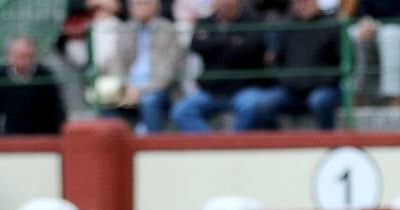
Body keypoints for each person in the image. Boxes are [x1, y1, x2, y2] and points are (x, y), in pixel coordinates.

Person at [171, 0, 275, 131]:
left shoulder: (254, 20)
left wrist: (213, 42)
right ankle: (213, 146)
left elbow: (248, 50)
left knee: (252, 105)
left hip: (244, 89)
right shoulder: (205, 22)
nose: (224, 4)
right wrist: (230, 40)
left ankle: (235, 146)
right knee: (181, 110)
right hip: (212, 91)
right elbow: (196, 45)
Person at [92, 0, 182, 134]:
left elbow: (168, 69)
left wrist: (141, 90)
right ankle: (112, 144)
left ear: (156, 6)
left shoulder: (168, 30)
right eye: (137, 3)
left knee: (149, 101)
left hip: (157, 87)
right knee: (104, 98)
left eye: (145, 3)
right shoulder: (125, 29)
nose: (141, 7)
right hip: (128, 86)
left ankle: (153, 147)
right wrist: (125, 85)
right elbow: (115, 62)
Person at [252, 0, 345, 129]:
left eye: (305, 2)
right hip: (292, 90)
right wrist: (287, 80)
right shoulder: (287, 29)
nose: (301, 6)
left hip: (324, 88)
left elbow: (342, 63)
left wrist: (320, 80)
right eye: (297, 2)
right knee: (263, 103)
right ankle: (277, 143)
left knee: (319, 101)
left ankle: (327, 141)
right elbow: (276, 61)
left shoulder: (332, 26)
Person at [0, 36, 68, 136]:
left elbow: (57, 109)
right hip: (12, 135)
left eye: (30, 56)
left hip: (42, 135)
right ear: (10, 56)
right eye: (21, 56)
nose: (25, 60)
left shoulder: (45, 75)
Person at [350, 0, 400, 106]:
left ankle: (393, 99)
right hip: (378, 28)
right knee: (354, 34)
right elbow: (364, 10)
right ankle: (354, 95)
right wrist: (365, 22)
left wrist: (377, 25)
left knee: (390, 35)